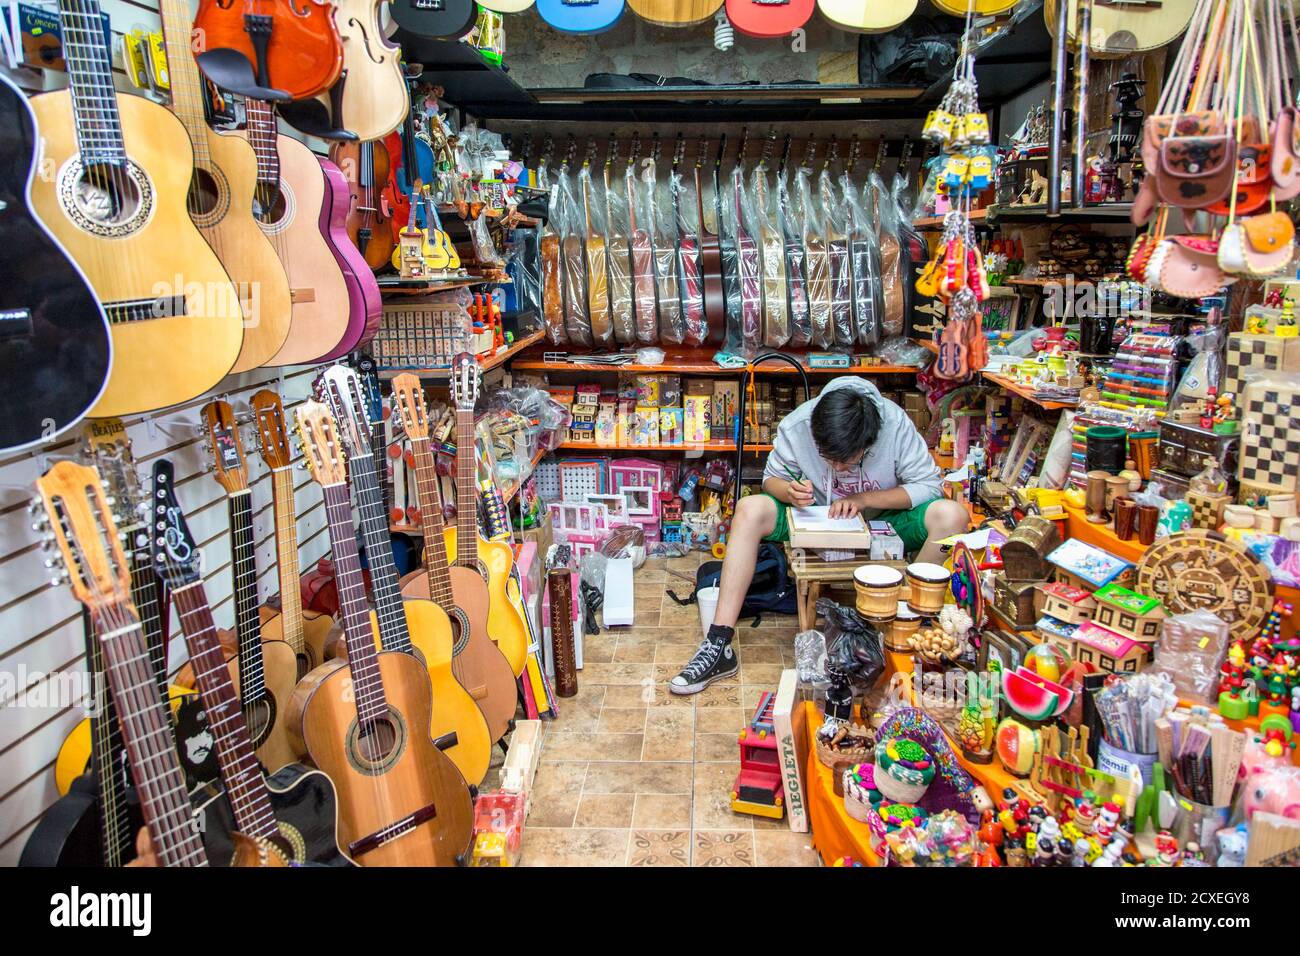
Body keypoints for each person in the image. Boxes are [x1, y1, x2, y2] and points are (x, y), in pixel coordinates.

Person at [669, 377, 968, 695]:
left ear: (869, 441)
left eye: (846, 461)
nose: (836, 468)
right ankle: (718, 644)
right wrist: (790, 491)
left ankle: (904, 624)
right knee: (748, 509)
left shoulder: (894, 425)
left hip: (883, 521)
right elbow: (771, 479)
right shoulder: (799, 424)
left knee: (952, 516)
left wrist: (865, 499)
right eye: (828, 459)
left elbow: (929, 486)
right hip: (813, 518)